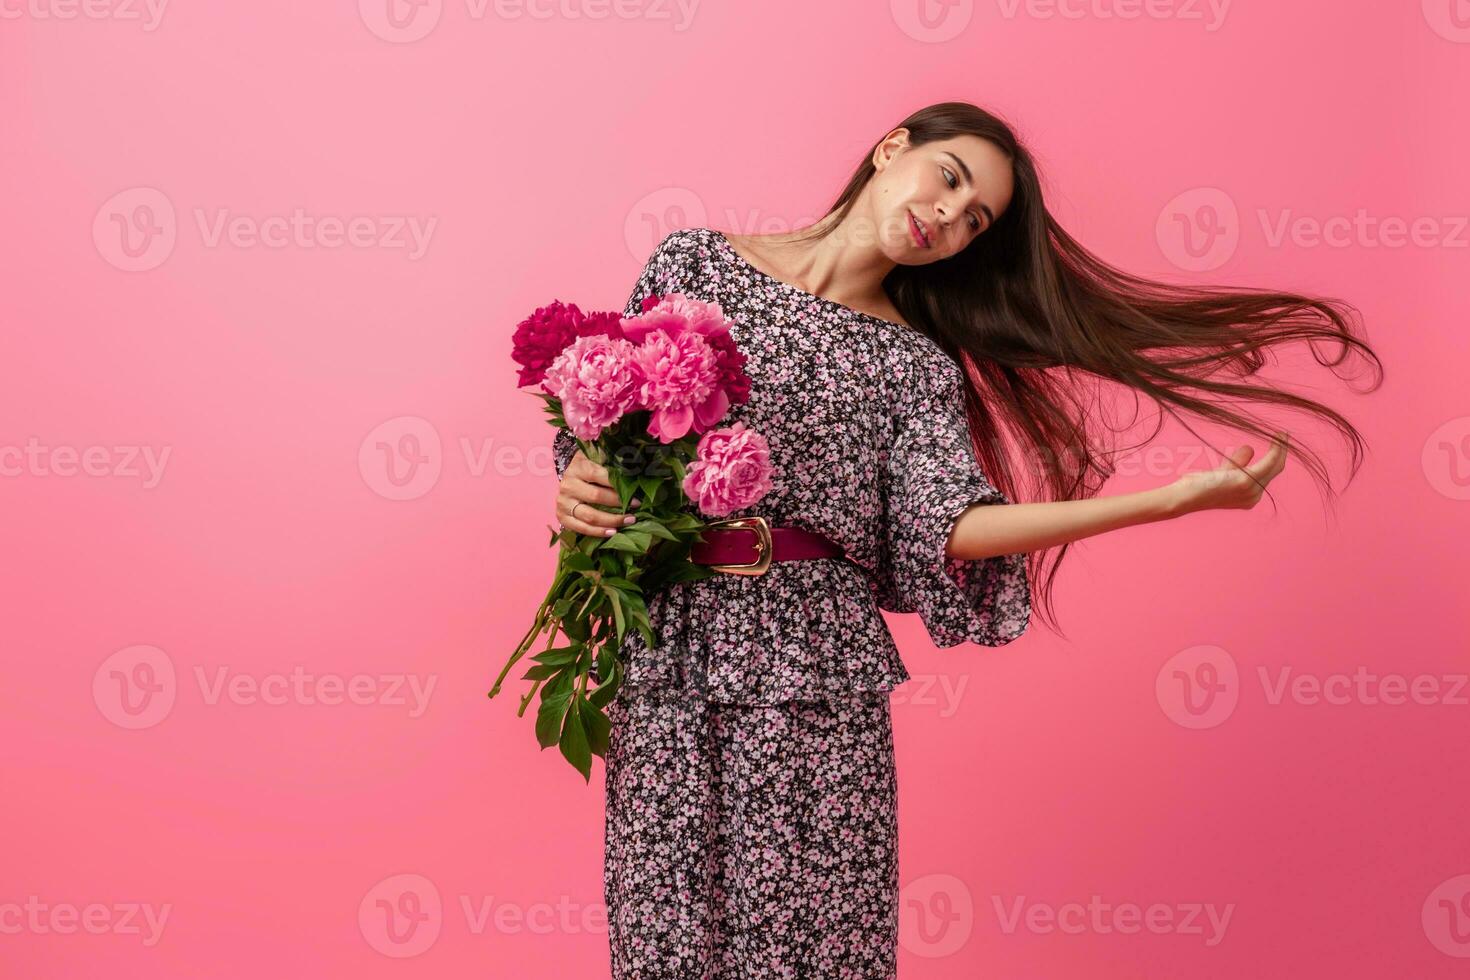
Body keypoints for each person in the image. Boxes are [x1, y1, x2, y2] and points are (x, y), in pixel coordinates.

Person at [550, 101, 1382, 978]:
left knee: (814, 949)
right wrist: (580, 480)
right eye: (950, 180)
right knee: (662, 939)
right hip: (674, 644)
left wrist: (1165, 502)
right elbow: (607, 420)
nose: (948, 218)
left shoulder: (916, 364)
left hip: (815, 669)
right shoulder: (695, 262)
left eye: (973, 220)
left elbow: (955, 525)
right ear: (891, 147)